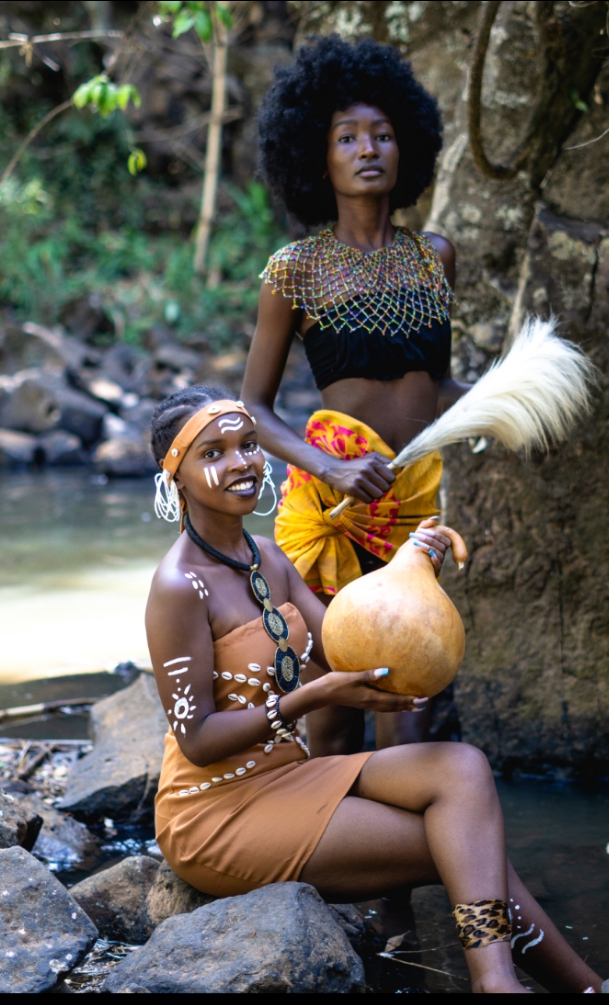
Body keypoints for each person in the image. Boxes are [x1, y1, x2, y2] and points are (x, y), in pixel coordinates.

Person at [146, 387, 601, 994]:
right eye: (215, 452)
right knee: (462, 847)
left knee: (461, 768)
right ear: (173, 473)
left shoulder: (271, 558)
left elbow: (344, 649)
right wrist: (311, 697)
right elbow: (198, 740)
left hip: (287, 775)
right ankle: (535, 985)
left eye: (249, 445)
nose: (242, 463)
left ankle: (540, 987)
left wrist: (411, 564)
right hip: (214, 812)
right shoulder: (179, 586)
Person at [241, 35, 471, 752]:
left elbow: (433, 384)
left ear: (408, 149)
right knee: (335, 696)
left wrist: (505, 401)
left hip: (410, 509)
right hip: (334, 509)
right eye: (347, 137)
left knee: (410, 696)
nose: (368, 149)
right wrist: (329, 467)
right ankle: (322, 855)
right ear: (318, 155)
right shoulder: (295, 271)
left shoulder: (433, 258)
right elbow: (252, 407)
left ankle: (400, 855)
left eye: (382, 134)